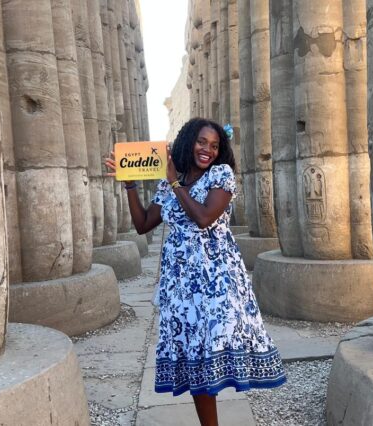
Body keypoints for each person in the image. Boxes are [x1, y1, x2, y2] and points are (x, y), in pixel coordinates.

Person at [106, 118, 286, 426]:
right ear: (189, 141)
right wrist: (131, 186)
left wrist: (175, 182)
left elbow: (204, 218)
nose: (208, 150)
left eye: (215, 145)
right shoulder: (170, 181)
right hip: (180, 283)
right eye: (202, 142)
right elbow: (143, 224)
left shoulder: (221, 175)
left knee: (211, 352)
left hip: (215, 280)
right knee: (194, 360)